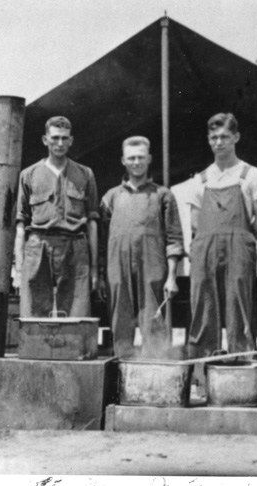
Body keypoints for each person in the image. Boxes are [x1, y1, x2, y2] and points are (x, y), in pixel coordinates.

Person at [186, 113, 257, 358]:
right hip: (205, 250)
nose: (219, 142)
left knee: (239, 310)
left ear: (236, 137)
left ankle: (242, 374)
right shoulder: (200, 179)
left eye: (224, 136)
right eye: (213, 137)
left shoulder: (251, 175)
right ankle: (203, 375)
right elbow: (194, 223)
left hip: (239, 250)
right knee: (203, 311)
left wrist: (242, 239)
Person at [100, 136, 184, 359]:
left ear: (149, 159)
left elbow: (175, 239)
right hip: (118, 268)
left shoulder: (162, 196)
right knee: (120, 319)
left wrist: (172, 277)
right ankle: (121, 373)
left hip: (153, 266)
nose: (136, 162)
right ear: (123, 161)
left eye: (140, 157)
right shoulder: (111, 198)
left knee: (154, 319)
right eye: (131, 158)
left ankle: (156, 376)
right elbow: (101, 241)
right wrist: (100, 274)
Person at [14, 116, 99, 318]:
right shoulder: (29, 175)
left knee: (77, 312)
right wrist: (18, 270)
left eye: (64, 138)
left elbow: (93, 223)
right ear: (45, 140)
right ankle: (35, 351)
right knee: (33, 311)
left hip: (75, 245)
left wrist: (95, 269)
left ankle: (73, 351)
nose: (59, 143)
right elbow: (20, 224)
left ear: (71, 141)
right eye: (55, 138)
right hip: (38, 245)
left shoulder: (85, 174)